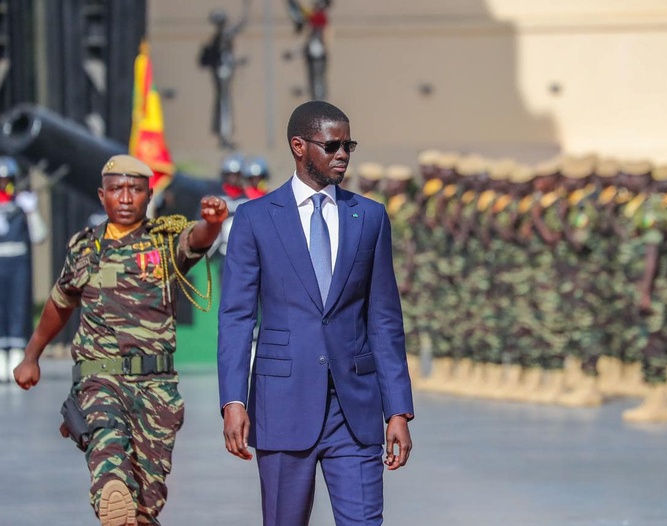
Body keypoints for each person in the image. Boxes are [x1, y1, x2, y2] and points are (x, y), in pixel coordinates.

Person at [218, 100, 414, 526]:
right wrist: (233, 400)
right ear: (299, 147)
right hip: (281, 407)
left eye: (349, 145)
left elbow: (383, 320)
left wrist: (397, 409)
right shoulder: (255, 219)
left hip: (356, 411)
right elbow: (236, 316)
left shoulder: (370, 217)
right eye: (332, 145)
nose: (342, 154)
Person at [14, 154, 227, 525]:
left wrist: (212, 223)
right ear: (102, 195)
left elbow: (197, 240)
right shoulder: (85, 248)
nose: (125, 198)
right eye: (116, 189)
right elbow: (60, 303)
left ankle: (132, 510)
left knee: (146, 504)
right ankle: (112, 487)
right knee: (108, 451)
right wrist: (32, 355)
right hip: (100, 378)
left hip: (156, 388)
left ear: (148, 196)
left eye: (135, 190)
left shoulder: (164, 243)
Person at [0, 157, 48, 382]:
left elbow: (39, 236)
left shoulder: (21, 205)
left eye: (6, 180)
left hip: (17, 262)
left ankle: (17, 355)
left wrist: (31, 211)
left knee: (17, 307)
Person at [198, 0, 250, 149]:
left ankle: (224, 134)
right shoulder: (223, 35)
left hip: (223, 71)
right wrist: (247, 7)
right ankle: (224, 135)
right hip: (223, 71)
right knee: (224, 103)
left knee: (223, 103)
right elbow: (241, 24)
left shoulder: (219, 37)